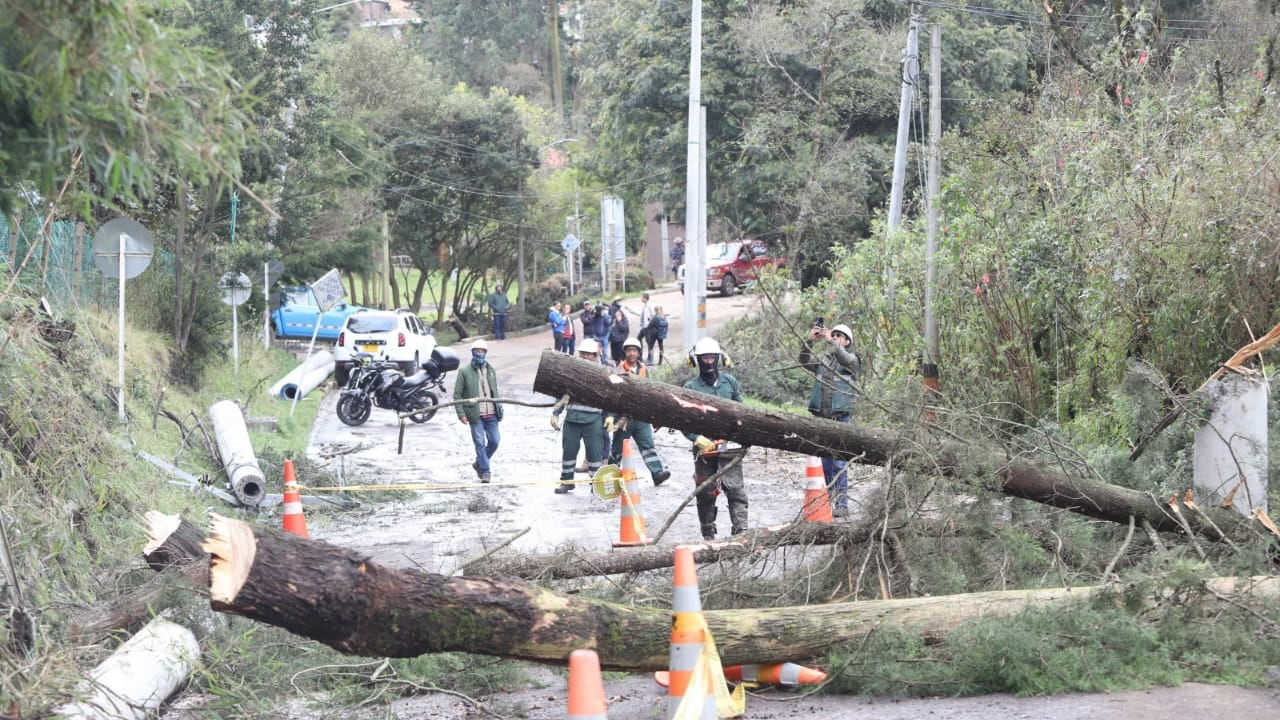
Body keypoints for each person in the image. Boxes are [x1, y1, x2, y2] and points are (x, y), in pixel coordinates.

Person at [682, 337, 748, 540]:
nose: (709, 362)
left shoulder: (730, 383)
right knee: (706, 491)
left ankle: (741, 530)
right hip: (705, 447)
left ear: (719, 359)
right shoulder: (691, 387)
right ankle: (708, 532)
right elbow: (683, 420)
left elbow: (742, 411)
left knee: (735, 488)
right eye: (704, 358)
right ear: (696, 360)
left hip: (730, 445)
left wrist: (745, 435)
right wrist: (696, 438)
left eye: (712, 357)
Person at [798, 321, 862, 517]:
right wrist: (809, 340)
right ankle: (828, 501)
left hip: (841, 418)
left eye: (838, 336)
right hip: (822, 418)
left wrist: (830, 342)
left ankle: (842, 504)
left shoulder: (853, 361)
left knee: (840, 462)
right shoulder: (823, 361)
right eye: (832, 335)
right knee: (825, 463)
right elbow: (803, 359)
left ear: (847, 341)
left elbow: (845, 359)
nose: (834, 338)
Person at [607, 338, 672, 485]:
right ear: (625, 352)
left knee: (647, 446)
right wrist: (612, 416)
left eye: (634, 351)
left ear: (638, 353)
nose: (631, 354)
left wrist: (654, 415)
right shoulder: (619, 370)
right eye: (629, 351)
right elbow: (614, 395)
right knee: (617, 449)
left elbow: (650, 391)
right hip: (624, 418)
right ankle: (610, 476)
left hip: (641, 417)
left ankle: (657, 473)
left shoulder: (643, 369)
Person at [551, 338, 607, 493]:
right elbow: (561, 394)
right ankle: (567, 481)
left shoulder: (603, 374)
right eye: (583, 353)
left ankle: (595, 483)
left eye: (590, 354)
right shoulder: (571, 373)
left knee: (595, 454)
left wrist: (610, 418)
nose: (586, 357)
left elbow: (611, 399)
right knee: (569, 451)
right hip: (572, 419)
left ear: (596, 356)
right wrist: (556, 413)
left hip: (593, 420)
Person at [454, 338, 502, 484]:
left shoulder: (491, 370)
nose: (480, 354)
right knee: (480, 443)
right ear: (473, 352)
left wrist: (498, 407)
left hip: (491, 413)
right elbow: (457, 395)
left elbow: (495, 391)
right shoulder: (464, 372)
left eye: (482, 351)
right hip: (475, 415)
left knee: (495, 441)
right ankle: (486, 471)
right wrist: (461, 414)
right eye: (477, 351)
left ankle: (479, 463)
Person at [607, 295, 630, 363]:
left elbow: (624, 328)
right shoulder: (614, 310)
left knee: (619, 356)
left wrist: (619, 321)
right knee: (617, 356)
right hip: (616, 338)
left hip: (619, 338)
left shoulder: (621, 315)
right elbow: (612, 325)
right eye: (619, 300)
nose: (620, 302)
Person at [590, 299, 613, 364]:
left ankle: (605, 362)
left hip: (605, 335)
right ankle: (598, 362)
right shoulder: (595, 316)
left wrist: (605, 316)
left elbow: (608, 323)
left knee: (605, 350)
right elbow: (590, 322)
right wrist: (593, 314)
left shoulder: (607, 316)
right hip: (597, 335)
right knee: (597, 350)